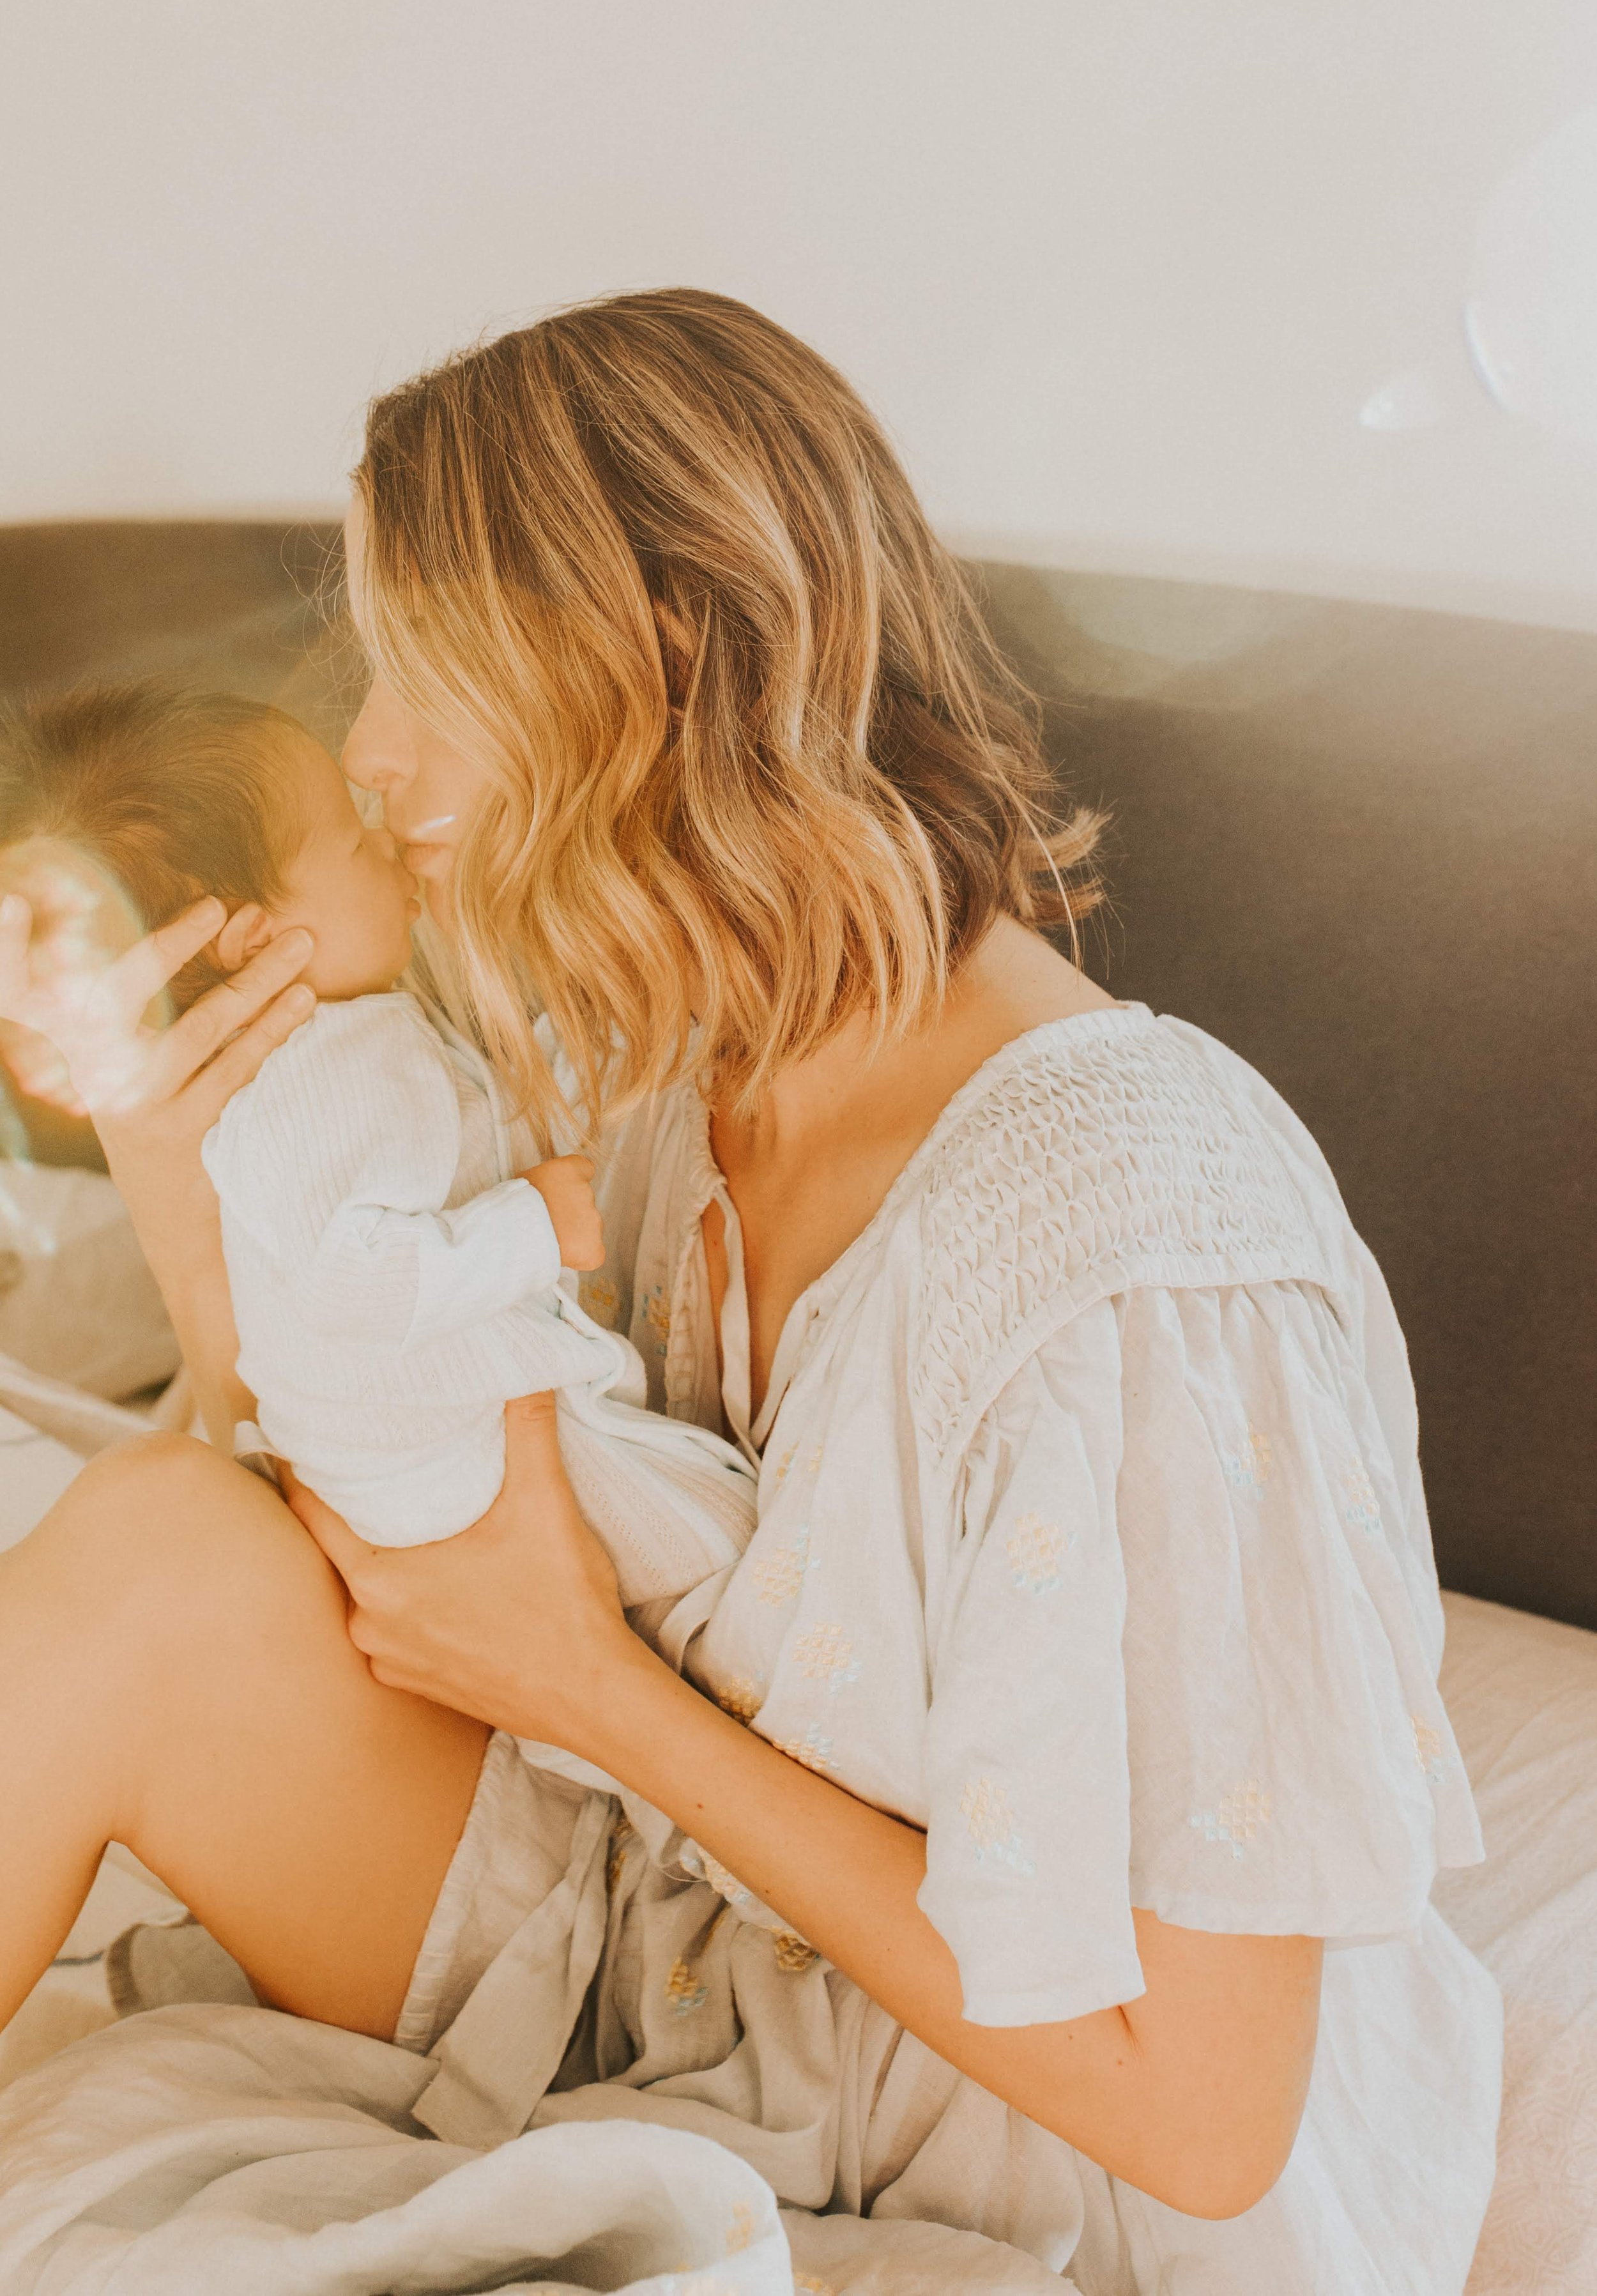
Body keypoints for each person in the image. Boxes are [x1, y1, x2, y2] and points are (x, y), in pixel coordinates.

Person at [0, 291, 1501, 2293]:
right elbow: (335, 1454)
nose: (368, 751)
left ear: (662, 656)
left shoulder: (1137, 1253)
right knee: (150, 1544)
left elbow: (1206, 2120)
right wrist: (178, 1140)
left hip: (1004, 2128)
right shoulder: (658, 1063)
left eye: (423, 667)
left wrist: (593, 1690)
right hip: (666, 1934)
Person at [0, 683, 756, 1606]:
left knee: (700, 1529)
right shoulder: (333, 1066)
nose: (388, 837)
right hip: (428, 1465)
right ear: (256, 939)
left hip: (411, 1465)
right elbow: (352, 1279)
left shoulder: (357, 1044)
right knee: (717, 1535)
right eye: (356, 842)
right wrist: (531, 1224)